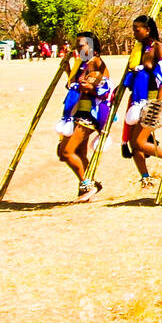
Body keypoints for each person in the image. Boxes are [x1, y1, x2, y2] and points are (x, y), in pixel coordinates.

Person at [120, 15, 162, 188]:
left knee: (139, 141)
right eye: (133, 29)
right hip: (139, 99)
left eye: (137, 29)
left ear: (148, 30)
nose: (134, 33)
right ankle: (145, 178)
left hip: (154, 100)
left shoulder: (158, 48)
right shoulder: (139, 49)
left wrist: (157, 104)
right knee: (134, 143)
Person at [55, 31, 111, 200]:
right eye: (77, 46)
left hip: (88, 114)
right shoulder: (83, 63)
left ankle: (87, 184)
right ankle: (90, 183)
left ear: (92, 47)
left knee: (65, 152)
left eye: (81, 46)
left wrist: (85, 83)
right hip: (77, 112)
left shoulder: (96, 63)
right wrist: (68, 72)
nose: (78, 49)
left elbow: (96, 89)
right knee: (77, 152)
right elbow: (75, 87)